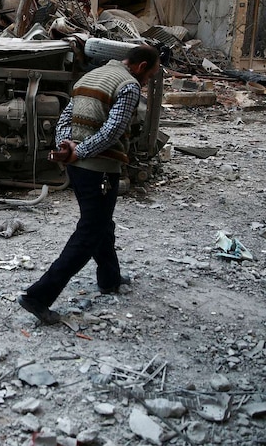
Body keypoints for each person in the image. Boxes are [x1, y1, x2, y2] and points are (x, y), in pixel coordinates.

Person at [18, 44, 160, 324]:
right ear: (141, 67)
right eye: (149, 76)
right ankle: (39, 296)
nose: (146, 82)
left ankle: (109, 278)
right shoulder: (129, 85)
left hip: (80, 169)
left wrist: (66, 146)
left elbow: (65, 118)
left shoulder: (91, 76)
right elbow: (112, 132)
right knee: (90, 231)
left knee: (101, 223)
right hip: (100, 168)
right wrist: (80, 151)